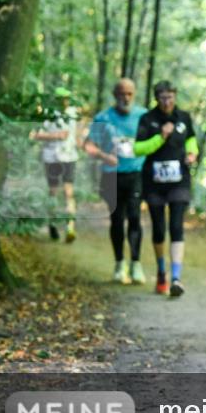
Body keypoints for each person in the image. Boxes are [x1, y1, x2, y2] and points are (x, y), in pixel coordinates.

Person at [134, 80, 198, 297]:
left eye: (170, 97)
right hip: (154, 183)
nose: (167, 102)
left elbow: (191, 140)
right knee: (159, 228)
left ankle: (176, 278)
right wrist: (160, 137)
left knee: (177, 226)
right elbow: (138, 148)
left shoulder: (184, 117)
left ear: (175, 97)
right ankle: (161, 272)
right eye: (162, 98)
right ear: (156, 99)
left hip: (179, 180)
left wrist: (192, 154)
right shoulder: (147, 119)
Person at [84, 79, 148, 284]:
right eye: (121, 94)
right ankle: (120, 264)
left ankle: (136, 264)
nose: (125, 98)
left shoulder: (144, 116)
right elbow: (88, 145)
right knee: (117, 219)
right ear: (115, 95)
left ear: (134, 94)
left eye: (129, 94)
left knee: (135, 217)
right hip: (111, 176)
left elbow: (155, 143)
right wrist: (104, 156)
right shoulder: (103, 118)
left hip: (136, 174)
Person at [31, 87, 80, 243]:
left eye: (66, 98)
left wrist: (42, 136)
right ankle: (52, 224)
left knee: (68, 192)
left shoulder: (72, 113)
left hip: (69, 157)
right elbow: (35, 134)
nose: (65, 101)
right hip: (51, 157)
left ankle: (70, 227)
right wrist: (52, 135)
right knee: (53, 191)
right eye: (61, 98)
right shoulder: (48, 114)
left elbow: (69, 135)